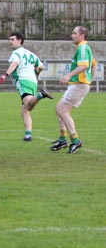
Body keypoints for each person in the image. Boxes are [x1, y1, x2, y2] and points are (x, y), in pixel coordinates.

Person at [0, 32, 53, 141]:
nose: (10, 42)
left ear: (19, 40)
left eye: (12, 39)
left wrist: (5, 74)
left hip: (23, 80)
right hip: (33, 81)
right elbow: (41, 66)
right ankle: (28, 134)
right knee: (24, 110)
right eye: (10, 39)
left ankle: (41, 95)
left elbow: (15, 63)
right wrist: (37, 73)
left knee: (28, 106)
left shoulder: (16, 52)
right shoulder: (31, 54)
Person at [51, 26, 96, 154]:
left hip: (79, 84)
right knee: (59, 109)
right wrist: (90, 80)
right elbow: (93, 64)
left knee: (63, 111)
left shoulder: (82, 47)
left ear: (81, 35)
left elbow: (84, 65)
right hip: (79, 84)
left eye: (74, 33)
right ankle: (62, 139)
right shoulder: (84, 48)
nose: (72, 35)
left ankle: (75, 141)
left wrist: (68, 75)